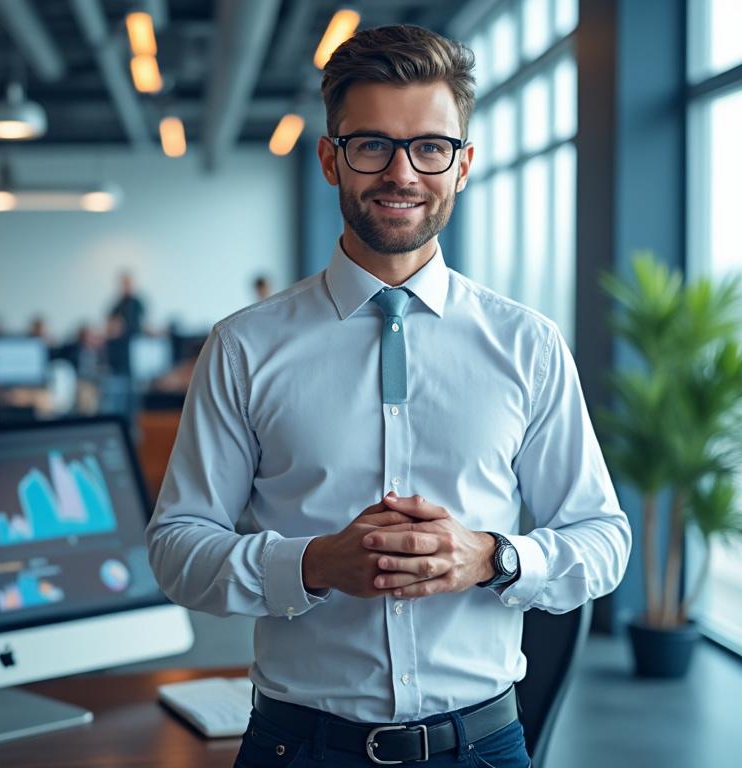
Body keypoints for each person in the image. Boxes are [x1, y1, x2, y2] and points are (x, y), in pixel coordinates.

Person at [146, 24, 630, 768]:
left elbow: (603, 541)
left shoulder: (527, 345)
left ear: (463, 165)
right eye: (372, 145)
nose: (402, 172)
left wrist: (492, 558)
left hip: (482, 745)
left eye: (429, 147)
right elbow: (178, 548)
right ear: (330, 160)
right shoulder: (245, 346)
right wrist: (310, 565)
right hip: (297, 746)